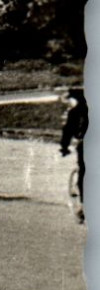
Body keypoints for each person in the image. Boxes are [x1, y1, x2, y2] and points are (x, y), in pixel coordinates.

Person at [60, 86, 86, 220]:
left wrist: (64, 148)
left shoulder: (75, 112)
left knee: (83, 171)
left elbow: (68, 131)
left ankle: (83, 204)